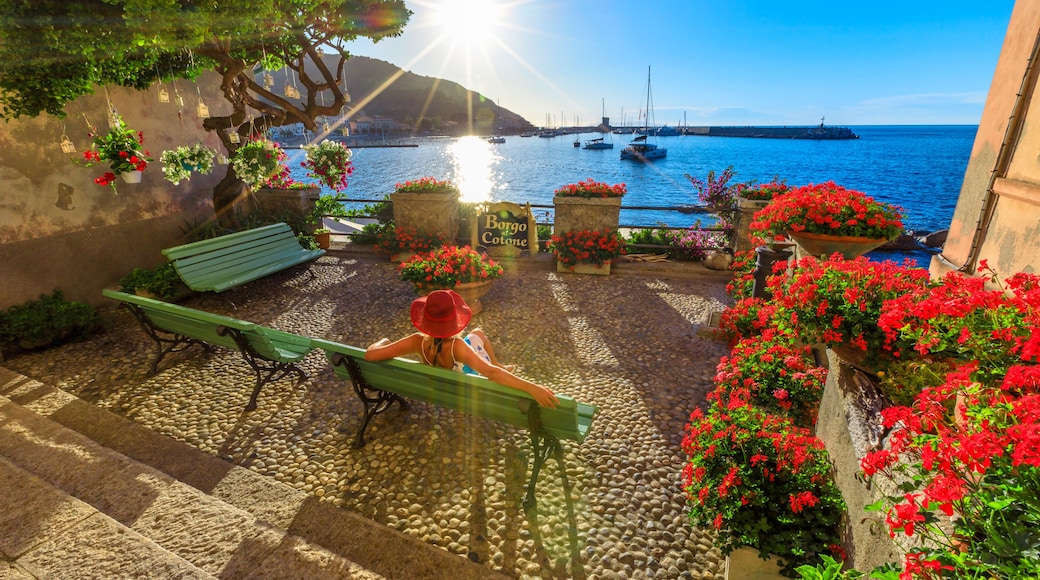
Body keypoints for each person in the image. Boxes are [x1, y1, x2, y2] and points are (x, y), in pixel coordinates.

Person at [364, 290, 559, 408]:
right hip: (462, 385)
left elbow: (371, 354)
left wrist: (384, 341)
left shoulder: (417, 341)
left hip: (438, 385)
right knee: (478, 334)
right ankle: (499, 362)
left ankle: (499, 362)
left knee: (477, 335)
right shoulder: (457, 346)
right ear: (453, 319)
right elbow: (491, 373)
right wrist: (531, 387)